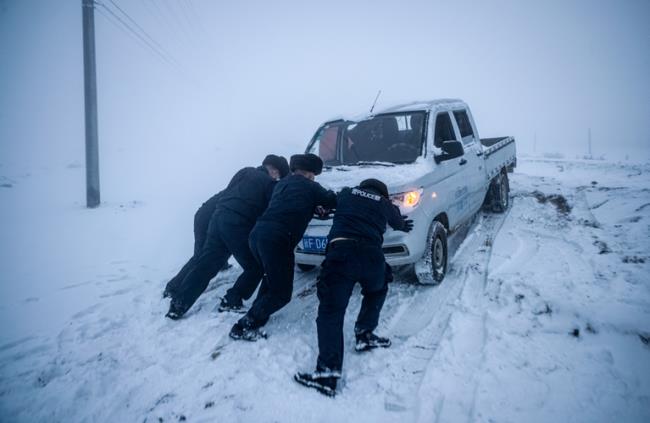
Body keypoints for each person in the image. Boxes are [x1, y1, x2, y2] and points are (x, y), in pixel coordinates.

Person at [294, 178, 413, 397]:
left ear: (362, 187)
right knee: (377, 289)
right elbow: (398, 222)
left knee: (331, 311)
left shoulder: (347, 193)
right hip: (372, 256)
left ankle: (327, 374)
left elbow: (327, 204)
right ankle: (365, 333)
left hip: (342, 252)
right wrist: (403, 224)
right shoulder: (385, 203)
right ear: (382, 193)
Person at [165, 154, 290, 319]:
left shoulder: (244, 171)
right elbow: (267, 212)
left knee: (206, 265)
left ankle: (178, 305)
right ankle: (232, 300)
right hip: (237, 224)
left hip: (217, 219)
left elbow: (227, 193)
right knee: (256, 266)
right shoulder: (270, 184)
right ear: (274, 171)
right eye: (278, 175)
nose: (278, 178)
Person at [229, 153, 337, 341]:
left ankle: (257, 317)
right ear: (310, 174)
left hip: (257, 235)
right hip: (277, 239)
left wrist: (313, 206)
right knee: (281, 293)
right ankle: (244, 326)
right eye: (313, 176)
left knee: (270, 279)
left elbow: (291, 203)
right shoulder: (310, 186)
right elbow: (332, 200)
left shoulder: (281, 185)